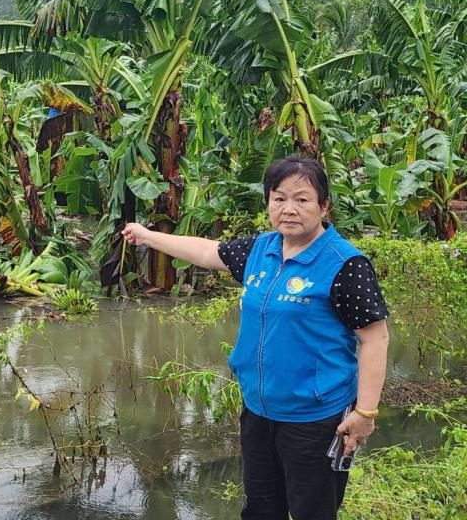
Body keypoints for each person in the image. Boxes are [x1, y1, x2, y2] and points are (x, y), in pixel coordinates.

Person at [122, 156, 389, 520]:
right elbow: (206, 251)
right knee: (262, 509)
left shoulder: (345, 264)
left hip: (316, 420)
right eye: (278, 199)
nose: (289, 209)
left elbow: (375, 339)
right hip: (258, 413)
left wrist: (365, 413)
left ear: (324, 206)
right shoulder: (261, 249)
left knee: (313, 511)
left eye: (302, 199)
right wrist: (147, 235)